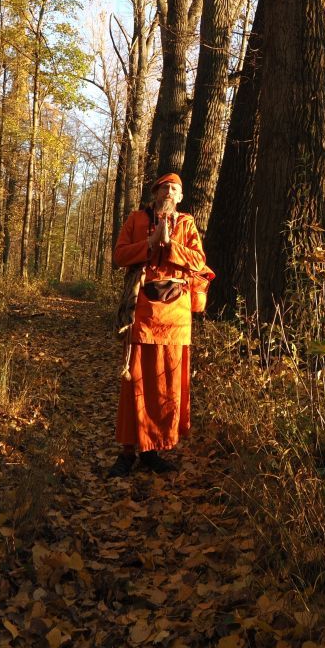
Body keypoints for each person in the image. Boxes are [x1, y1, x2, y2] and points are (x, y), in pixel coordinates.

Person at [109, 171, 212, 476]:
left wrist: (169, 245)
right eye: (164, 187)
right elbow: (118, 257)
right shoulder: (136, 219)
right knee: (135, 381)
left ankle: (153, 449)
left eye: (175, 189)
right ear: (154, 193)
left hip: (176, 317)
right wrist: (150, 243)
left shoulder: (187, 223)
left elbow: (198, 261)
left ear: (180, 197)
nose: (169, 191)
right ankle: (128, 451)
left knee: (166, 382)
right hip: (141, 312)